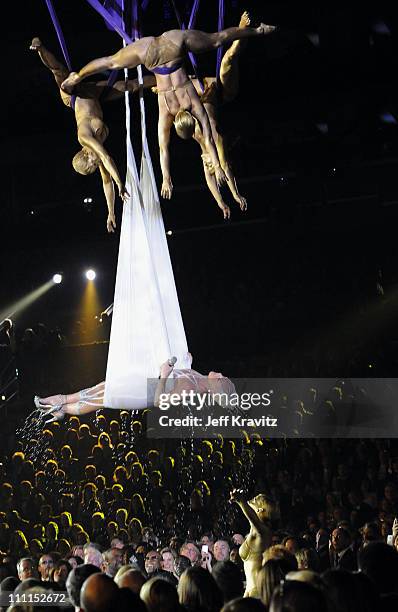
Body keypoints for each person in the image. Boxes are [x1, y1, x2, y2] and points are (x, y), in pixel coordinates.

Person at [61, 21, 276, 200]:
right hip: (155, 53)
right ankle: (257, 30)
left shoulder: (190, 104)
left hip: (170, 49)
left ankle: (257, 31)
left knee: (216, 39)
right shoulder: (170, 108)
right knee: (112, 63)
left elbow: (202, 139)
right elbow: (171, 146)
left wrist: (171, 177)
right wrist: (172, 176)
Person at [30, 38, 133, 232]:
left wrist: (121, 184)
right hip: (93, 94)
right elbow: (106, 182)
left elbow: (105, 157)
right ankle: (168, 78)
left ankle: (39, 47)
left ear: (86, 153)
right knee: (131, 86)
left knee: (59, 73)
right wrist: (111, 212)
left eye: (93, 163)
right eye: (96, 166)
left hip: (74, 95)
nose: (97, 163)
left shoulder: (84, 137)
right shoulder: (97, 157)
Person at [33, 355, 235, 422]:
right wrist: (186, 363)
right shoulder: (199, 378)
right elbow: (181, 374)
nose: (221, 374)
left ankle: (63, 408)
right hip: (146, 383)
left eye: (222, 379)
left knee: (104, 397)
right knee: (103, 386)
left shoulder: (192, 390)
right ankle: (62, 401)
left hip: (144, 393)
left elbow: (159, 402)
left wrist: (164, 374)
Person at [230, 489, 278, 598]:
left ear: (260, 510)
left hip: (258, 594)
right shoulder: (253, 533)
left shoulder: (265, 533)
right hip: (249, 592)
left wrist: (241, 501)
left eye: (255, 500)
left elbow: (254, 520)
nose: (251, 500)